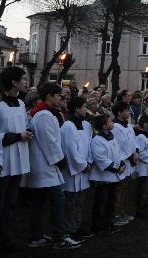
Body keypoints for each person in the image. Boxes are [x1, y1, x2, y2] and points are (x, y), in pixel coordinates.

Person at [25, 82, 81, 250]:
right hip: (45, 166)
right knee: (58, 200)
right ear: (49, 96)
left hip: (45, 165)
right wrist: (60, 160)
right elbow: (49, 142)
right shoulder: (44, 116)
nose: (60, 98)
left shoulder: (45, 114)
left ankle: (37, 236)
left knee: (39, 202)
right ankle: (61, 236)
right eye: (58, 95)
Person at [0, 67, 32, 253]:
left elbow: (24, 124)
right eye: (23, 79)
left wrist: (28, 132)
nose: (25, 82)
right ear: (14, 82)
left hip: (19, 160)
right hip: (3, 161)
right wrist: (18, 137)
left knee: (10, 203)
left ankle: (6, 238)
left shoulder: (21, 103)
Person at [61, 97, 94, 242]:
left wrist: (90, 161)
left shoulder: (86, 125)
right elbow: (70, 150)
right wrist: (83, 165)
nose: (86, 109)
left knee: (80, 201)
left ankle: (77, 225)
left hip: (85, 167)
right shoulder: (68, 126)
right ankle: (69, 229)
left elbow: (90, 144)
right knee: (70, 202)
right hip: (73, 171)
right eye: (84, 107)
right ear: (76, 109)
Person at [89, 114, 125, 235]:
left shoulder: (111, 137)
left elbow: (117, 152)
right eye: (110, 121)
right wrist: (116, 168)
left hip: (113, 176)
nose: (112, 123)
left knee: (111, 201)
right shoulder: (97, 140)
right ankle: (98, 226)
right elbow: (101, 159)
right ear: (104, 126)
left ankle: (108, 222)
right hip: (103, 177)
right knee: (101, 202)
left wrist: (122, 163)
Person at [111, 102, 137, 227]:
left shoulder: (128, 126)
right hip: (122, 161)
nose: (129, 113)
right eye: (126, 111)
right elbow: (120, 145)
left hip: (130, 160)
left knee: (124, 189)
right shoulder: (116, 126)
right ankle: (115, 214)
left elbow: (133, 140)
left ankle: (121, 211)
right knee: (118, 189)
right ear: (119, 113)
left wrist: (136, 152)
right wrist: (131, 156)